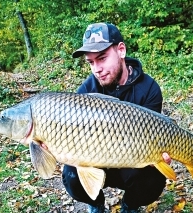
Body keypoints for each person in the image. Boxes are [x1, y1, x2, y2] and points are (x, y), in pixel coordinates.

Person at [62, 22, 171, 213]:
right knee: (71, 173)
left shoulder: (149, 89)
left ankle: (130, 205)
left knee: (154, 177)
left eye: (102, 58)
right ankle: (96, 204)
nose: (97, 69)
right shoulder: (87, 90)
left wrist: (160, 154)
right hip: (97, 161)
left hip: (132, 161)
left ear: (121, 50)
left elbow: (153, 138)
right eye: (91, 62)